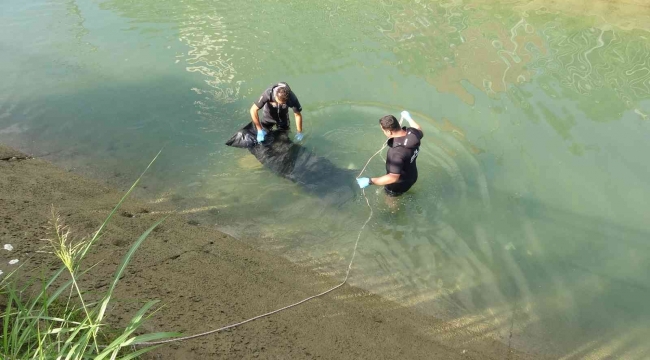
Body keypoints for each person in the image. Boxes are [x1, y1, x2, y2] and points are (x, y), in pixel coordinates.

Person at [356, 111, 423, 196]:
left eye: (383, 130)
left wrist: (369, 181)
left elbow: (393, 178)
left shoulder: (395, 153)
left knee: (390, 200)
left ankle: (393, 208)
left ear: (389, 132)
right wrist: (408, 118)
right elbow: (418, 128)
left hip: (398, 185)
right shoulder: (413, 133)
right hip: (412, 176)